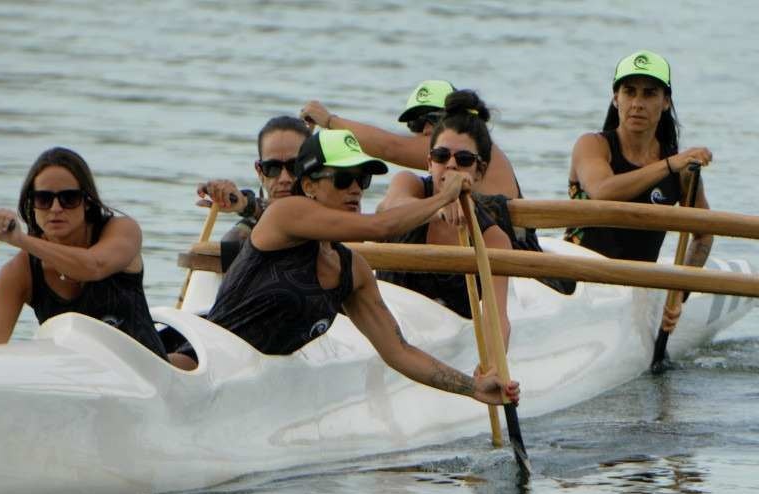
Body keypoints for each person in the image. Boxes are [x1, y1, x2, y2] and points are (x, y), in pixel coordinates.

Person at [180, 129, 517, 405]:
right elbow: (380, 228)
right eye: (343, 178)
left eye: (362, 178)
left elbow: (399, 351)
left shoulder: (352, 271)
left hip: (246, 386)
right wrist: (445, 197)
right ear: (309, 185)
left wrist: (471, 389)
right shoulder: (285, 216)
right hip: (197, 364)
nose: (355, 187)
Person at [565, 50, 714, 332]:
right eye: (629, 92)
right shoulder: (593, 145)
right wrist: (669, 165)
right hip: (577, 280)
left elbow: (704, 234)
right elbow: (602, 192)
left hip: (635, 291)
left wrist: (679, 295)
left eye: (649, 94)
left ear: (666, 102)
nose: (637, 103)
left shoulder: (682, 171)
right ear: (615, 98)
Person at [0, 147, 167, 358]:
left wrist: (21, 240)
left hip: (150, 376)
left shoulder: (122, 230)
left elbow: (94, 266)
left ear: (87, 202)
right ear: (32, 205)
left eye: (69, 198)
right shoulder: (19, 272)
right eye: (43, 199)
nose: (56, 208)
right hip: (74, 379)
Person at [374, 90, 513, 345]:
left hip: (436, 346)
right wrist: (438, 206)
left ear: (479, 171)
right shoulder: (408, 184)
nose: (450, 165)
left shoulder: (493, 239)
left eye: (463, 159)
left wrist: (494, 366)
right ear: (429, 163)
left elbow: (497, 319)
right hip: (383, 334)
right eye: (441, 156)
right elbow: (389, 209)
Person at [299, 80, 521, 199]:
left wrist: (330, 121)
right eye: (415, 124)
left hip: (512, 249)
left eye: (433, 118)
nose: (425, 129)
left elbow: (391, 148)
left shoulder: (470, 147)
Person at [195, 116, 312, 243]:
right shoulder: (238, 238)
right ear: (259, 171)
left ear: (311, 168)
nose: (284, 178)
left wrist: (246, 204)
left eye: (294, 166)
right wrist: (243, 204)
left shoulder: (332, 215)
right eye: (272, 168)